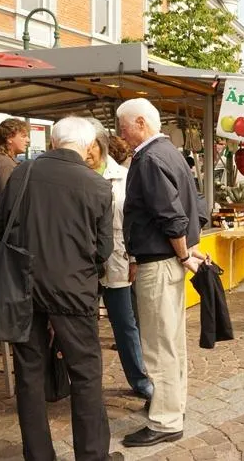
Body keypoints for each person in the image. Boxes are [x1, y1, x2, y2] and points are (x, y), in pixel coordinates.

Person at [0, 117, 115, 461]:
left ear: (53, 142)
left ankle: (39, 456)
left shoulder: (22, 173)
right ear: (88, 146)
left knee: (29, 374)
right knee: (85, 374)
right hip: (73, 289)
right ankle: (92, 456)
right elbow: (104, 249)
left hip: (22, 285)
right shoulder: (97, 185)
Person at [117, 98, 207, 448]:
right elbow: (197, 206)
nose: (121, 134)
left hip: (159, 262)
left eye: (123, 126)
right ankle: (172, 406)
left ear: (140, 123)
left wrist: (183, 253)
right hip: (166, 259)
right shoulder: (170, 153)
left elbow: (171, 215)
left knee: (159, 345)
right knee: (170, 341)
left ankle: (166, 418)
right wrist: (187, 250)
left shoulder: (150, 158)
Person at [85, 118, 153, 401]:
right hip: (81, 264)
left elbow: (133, 221)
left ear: (99, 145)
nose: (85, 151)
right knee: (82, 326)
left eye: (89, 144)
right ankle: (83, 383)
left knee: (125, 324)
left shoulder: (124, 177)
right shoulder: (73, 176)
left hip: (116, 260)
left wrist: (134, 257)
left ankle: (139, 379)